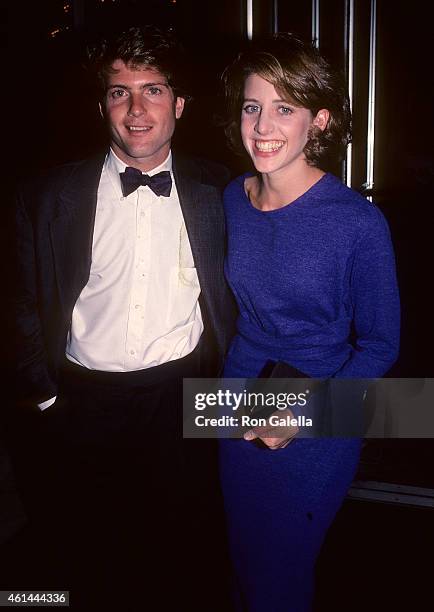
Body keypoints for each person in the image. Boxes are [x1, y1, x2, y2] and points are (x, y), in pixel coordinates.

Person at [11, 26, 235, 611]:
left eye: (154, 90)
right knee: (83, 555)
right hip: (80, 401)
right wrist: (43, 396)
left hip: (182, 396)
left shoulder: (222, 190)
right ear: (102, 105)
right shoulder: (45, 195)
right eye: (119, 92)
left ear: (179, 105)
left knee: (178, 552)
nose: (137, 109)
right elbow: (18, 301)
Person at [219, 34, 400, 612]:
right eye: (253, 106)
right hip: (235, 393)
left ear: (317, 121)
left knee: (282, 573)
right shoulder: (231, 198)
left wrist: (304, 411)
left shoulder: (358, 223)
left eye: (284, 108)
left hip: (321, 407)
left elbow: (381, 344)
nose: (264, 125)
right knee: (245, 562)